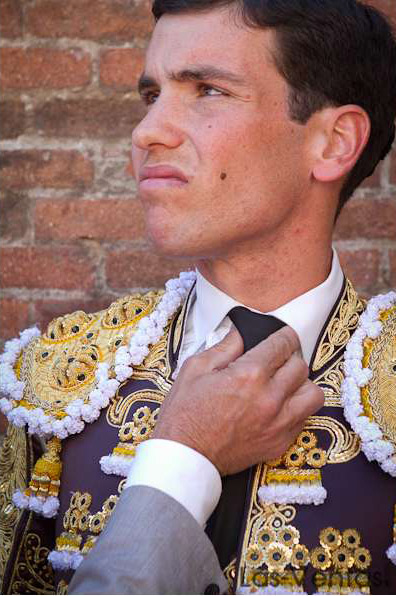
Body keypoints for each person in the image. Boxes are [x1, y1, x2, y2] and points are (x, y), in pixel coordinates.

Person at [1, 0, 396, 594]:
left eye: (208, 90)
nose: (146, 131)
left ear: (334, 143)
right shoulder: (50, 382)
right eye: (152, 95)